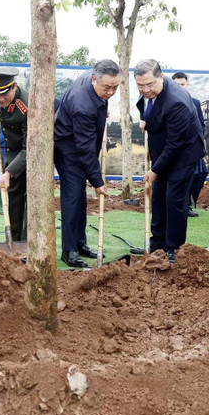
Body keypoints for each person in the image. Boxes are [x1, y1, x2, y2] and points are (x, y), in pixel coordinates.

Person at [134, 59, 203, 262]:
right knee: (158, 195)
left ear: (161, 77)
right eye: (140, 85)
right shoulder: (150, 91)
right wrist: (146, 118)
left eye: (149, 85)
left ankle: (173, 247)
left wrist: (155, 170)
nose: (145, 89)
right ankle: (158, 244)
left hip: (184, 152)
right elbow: (148, 107)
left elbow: (175, 144)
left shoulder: (176, 102)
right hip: (163, 147)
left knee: (175, 198)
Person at [54, 59, 121, 268]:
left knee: (81, 200)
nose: (110, 92)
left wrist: (102, 109)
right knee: (72, 198)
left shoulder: (95, 78)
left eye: (115, 87)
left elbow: (100, 101)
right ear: (94, 80)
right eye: (106, 88)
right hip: (68, 149)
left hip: (80, 143)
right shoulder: (82, 106)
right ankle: (69, 250)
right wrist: (98, 182)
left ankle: (80, 243)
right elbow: (85, 149)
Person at [0, 67, 28, 241]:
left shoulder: (27, 107)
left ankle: (28, 243)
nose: (0, 100)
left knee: (30, 199)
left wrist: (9, 172)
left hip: (32, 152)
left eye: (4, 95)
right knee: (14, 197)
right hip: (14, 152)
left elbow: (30, 148)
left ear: (14, 87)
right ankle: (13, 240)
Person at [172, 72, 207, 217]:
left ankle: (188, 203)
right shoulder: (168, 102)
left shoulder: (196, 103)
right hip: (174, 148)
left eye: (182, 84)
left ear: (187, 85)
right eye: (177, 85)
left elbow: (202, 125)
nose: (180, 87)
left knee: (200, 174)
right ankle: (181, 206)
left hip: (192, 147)